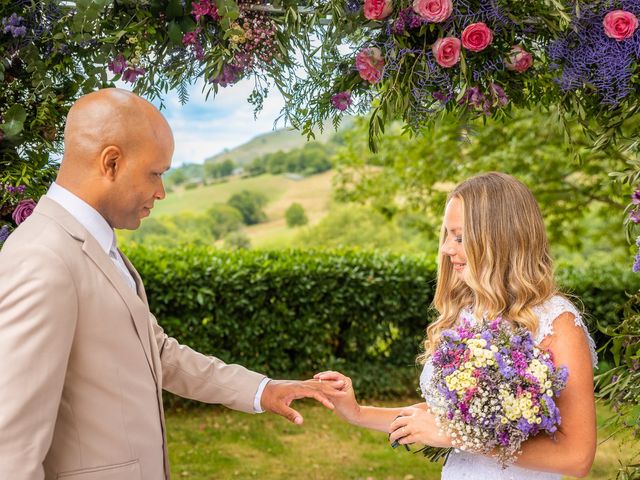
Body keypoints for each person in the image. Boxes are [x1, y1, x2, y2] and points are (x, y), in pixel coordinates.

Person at [0, 88, 344, 480]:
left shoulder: (96, 245)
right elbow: (11, 447)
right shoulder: (43, 257)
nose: (161, 192)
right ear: (111, 162)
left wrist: (261, 390)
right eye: (155, 173)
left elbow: (157, 351)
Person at [315, 172, 598, 479]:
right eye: (447, 236)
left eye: (459, 237)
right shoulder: (468, 314)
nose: (447, 249)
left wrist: (458, 436)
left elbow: (577, 457)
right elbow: (443, 418)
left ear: (499, 238)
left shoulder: (556, 323)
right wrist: (356, 413)